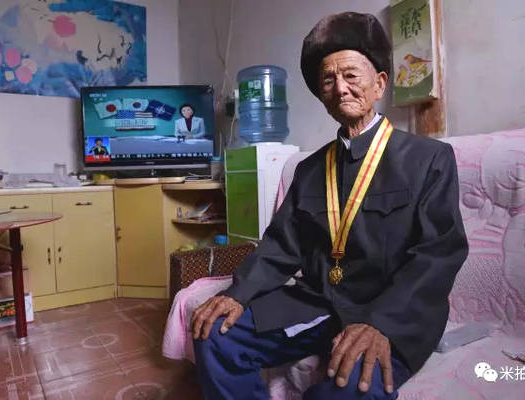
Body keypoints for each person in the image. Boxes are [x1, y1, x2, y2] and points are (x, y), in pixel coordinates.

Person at [191, 12, 468, 400]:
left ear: (379, 84)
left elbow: (437, 255)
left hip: (389, 312)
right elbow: (279, 247)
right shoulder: (309, 170)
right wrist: (237, 293)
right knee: (216, 335)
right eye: (328, 81)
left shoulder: (430, 159)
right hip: (318, 303)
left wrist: (381, 325)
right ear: (322, 97)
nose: (340, 88)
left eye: (351, 75)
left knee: (350, 391)